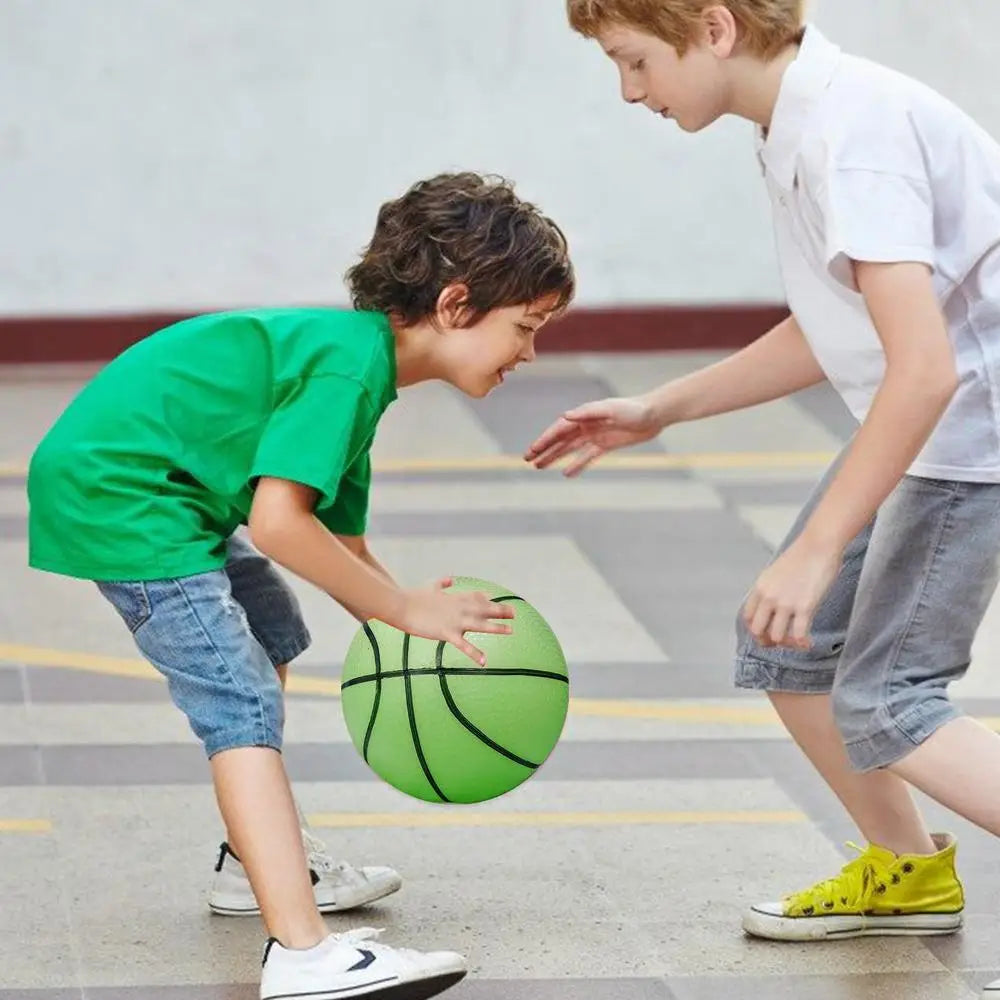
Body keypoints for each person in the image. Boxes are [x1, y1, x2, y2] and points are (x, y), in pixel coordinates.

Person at [528, 2, 1000, 993]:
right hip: (937, 424)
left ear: (710, 28)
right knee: (793, 652)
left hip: (968, 434)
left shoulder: (852, 135)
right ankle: (907, 874)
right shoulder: (798, 124)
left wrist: (817, 543)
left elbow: (921, 374)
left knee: (890, 698)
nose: (628, 91)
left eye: (632, 61)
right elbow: (836, 327)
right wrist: (662, 406)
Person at [27, 171, 575, 1000]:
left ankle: (251, 868)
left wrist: (408, 625)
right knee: (237, 700)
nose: (530, 354)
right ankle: (303, 953)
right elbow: (281, 526)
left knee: (273, 630)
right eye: (526, 327)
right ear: (457, 305)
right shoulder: (348, 372)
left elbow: (339, 538)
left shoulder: (359, 366)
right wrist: (401, 607)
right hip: (127, 495)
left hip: (161, 486)